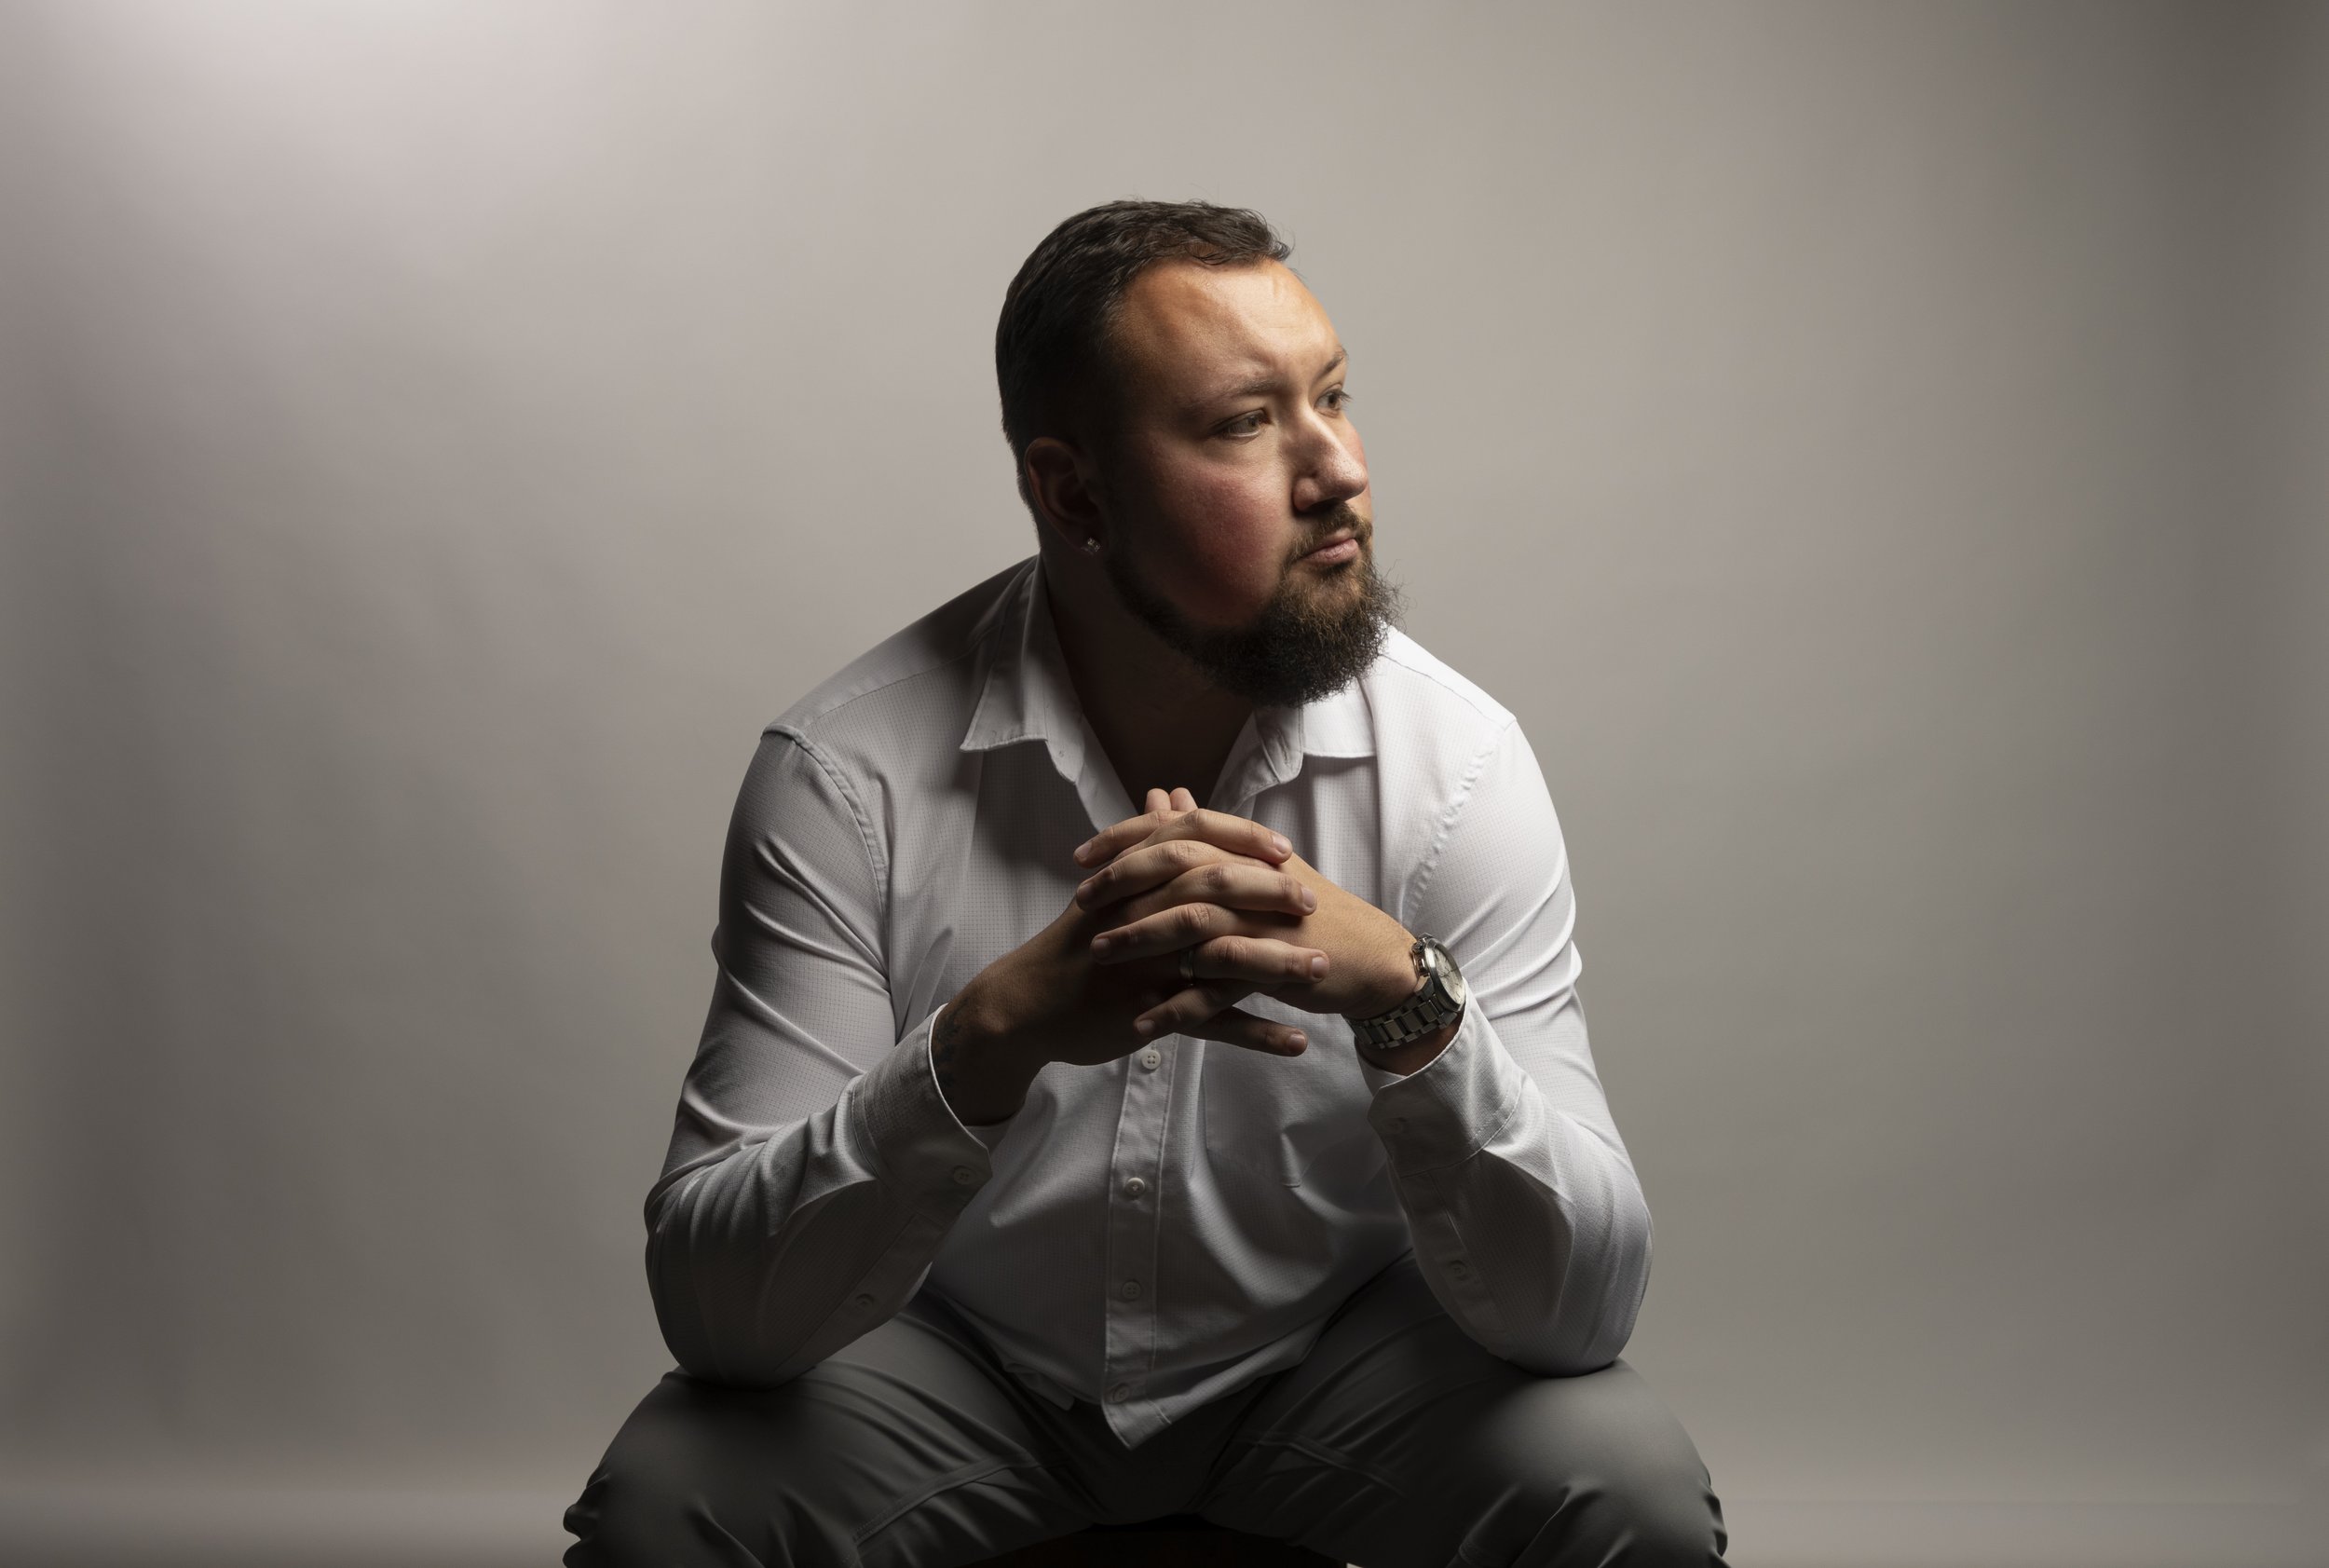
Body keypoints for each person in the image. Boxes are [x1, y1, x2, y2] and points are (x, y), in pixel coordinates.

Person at [562, 198, 1728, 1566]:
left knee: (1622, 1498)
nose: (1339, 468)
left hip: (1328, 1370)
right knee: (669, 1512)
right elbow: (716, 1317)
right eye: (1247, 423)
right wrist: (991, 1040)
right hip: (962, 1370)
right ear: (1073, 493)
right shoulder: (847, 774)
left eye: (1335, 397)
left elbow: (1577, 1321)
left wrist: (1409, 1001)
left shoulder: (1459, 768)